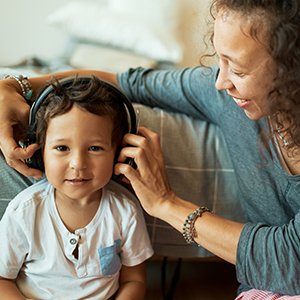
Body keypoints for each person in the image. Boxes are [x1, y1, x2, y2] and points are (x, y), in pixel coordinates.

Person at [0, 0, 299, 298]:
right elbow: (128, 82)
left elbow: (290, 259)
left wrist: (166, 203)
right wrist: (15, 85)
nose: (221, 83)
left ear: (291, 67)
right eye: (219, 60)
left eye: (238, 69)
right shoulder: (222, 96)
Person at [0, 76, 154, 300]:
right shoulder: (24, 213)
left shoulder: (125, 211)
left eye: (94, 148)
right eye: (62, 147)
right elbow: (2, 280)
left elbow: (134, 279)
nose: (78, 163)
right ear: (39, 154)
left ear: (119, 153)